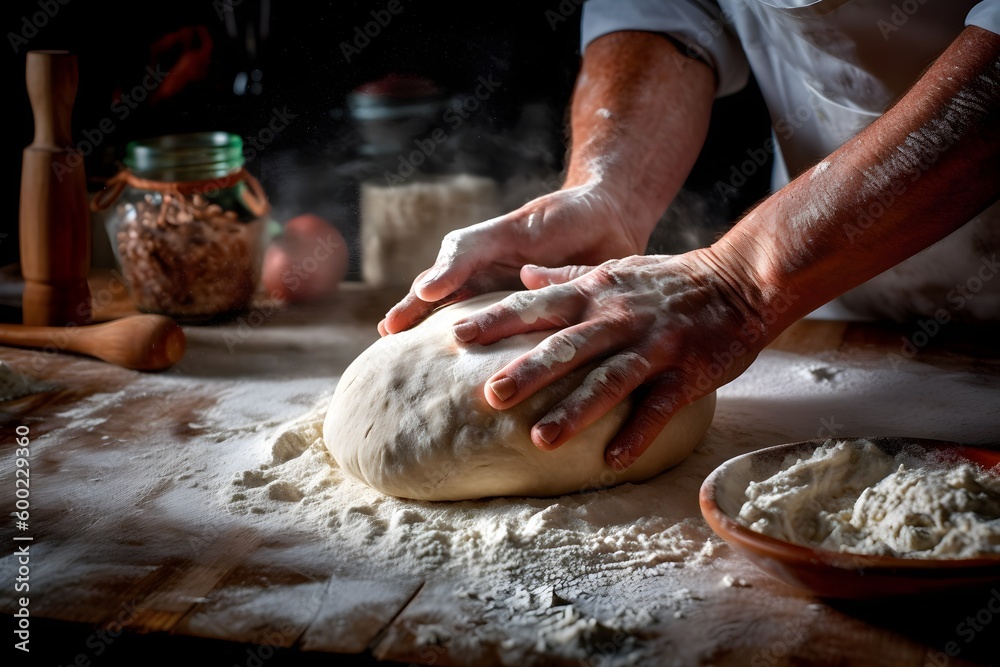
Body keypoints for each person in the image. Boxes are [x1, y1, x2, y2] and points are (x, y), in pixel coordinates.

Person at [377, 0, 1000, 473]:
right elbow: (665, 10)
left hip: (802, 261)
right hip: (839, 296)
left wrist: (740, 282)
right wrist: (611, 192)